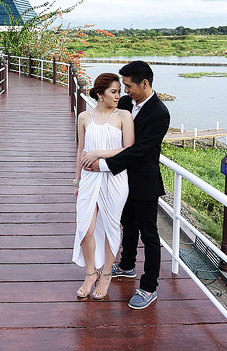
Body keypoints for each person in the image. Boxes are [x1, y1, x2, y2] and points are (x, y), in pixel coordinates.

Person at [81, 60, 169, 310]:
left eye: (128, 86)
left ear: (145, 83)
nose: (124, 91)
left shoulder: (160, 113)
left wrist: (103, 164)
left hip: (143, 180)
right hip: (121, 180)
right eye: (122, 87)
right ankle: (127, 265)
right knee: (127, 224)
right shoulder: (128, 103)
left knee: (149, 234)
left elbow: (140, 150)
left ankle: (149, 286)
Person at [72, 73, 135, 301]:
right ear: (100, 94)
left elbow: (128, 149)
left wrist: (99, 153)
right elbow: (80, 149)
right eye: (114, 92)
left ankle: (106, 274)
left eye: (119, 91)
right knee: (85, 229)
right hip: (89, 178)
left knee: (110, 226)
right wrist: (77, 179)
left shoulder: (124, 116)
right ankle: (90, 273)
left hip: (114, 178)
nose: (119, 95)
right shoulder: (84, 117)